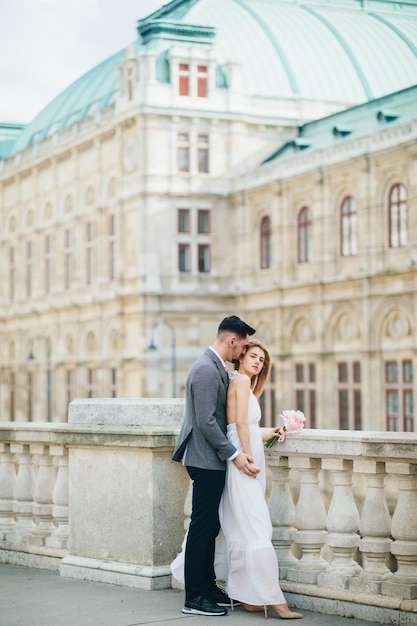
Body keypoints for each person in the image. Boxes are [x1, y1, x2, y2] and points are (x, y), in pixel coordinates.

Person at [172, 315, 258, 617]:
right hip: (205, 459)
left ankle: (207, 586)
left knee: (210, 527)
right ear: (231, 341)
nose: (243, 353)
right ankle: (194, 598)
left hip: (210, 459)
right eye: (243, 346)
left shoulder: (214, 367)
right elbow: (207, 423)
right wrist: (235, 454)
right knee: (202, 527)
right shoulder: (206, 370)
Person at [219, 339, 303, 620]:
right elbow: (240, 425)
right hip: (244, 458)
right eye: (253, 356)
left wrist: (267, 434)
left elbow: (243, 425)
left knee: (242, 527)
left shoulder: (241, 383)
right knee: (257, 527)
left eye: (262, 360)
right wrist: (245, 455)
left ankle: (243, 594)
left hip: (245, 450)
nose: (258, 362)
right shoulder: (241, 382)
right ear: (241, 357)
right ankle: (275, 601)